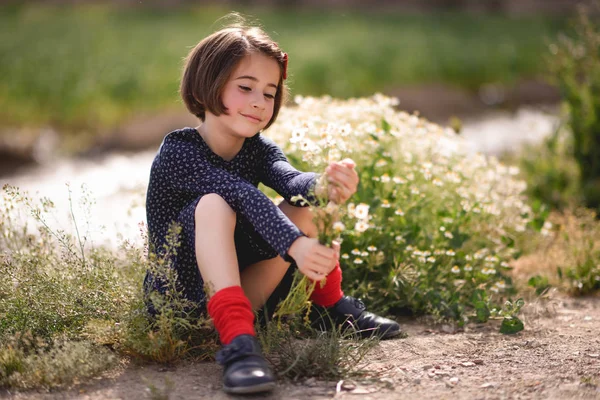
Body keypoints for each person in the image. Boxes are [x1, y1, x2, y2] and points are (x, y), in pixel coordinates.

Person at [144, 20, 402, 394]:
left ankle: (328, 308)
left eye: (269, 93)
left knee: (311, 204)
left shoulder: (258, 149)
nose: (258, 102)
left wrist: (324, 183)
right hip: (181, 307)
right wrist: (296, 245)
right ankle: (238, 348)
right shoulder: (179, 152)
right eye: (245, 88)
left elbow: (290, 179)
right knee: (216, 204)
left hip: (245, 297)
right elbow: (243, 196)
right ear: (205, 88)